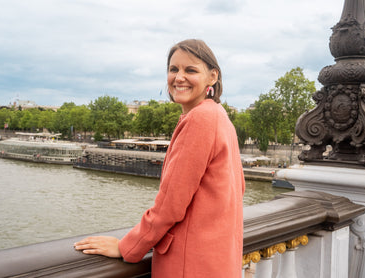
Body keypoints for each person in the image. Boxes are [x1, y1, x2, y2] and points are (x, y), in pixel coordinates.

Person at [74, 39, 245, 278]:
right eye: (173, 69)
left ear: (212, 76)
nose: (179, 77)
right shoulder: (220, 116)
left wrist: (127, 247)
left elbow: (170, 205)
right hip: (217, 261)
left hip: (190, 264)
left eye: (191, 70)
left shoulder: (200, 120)